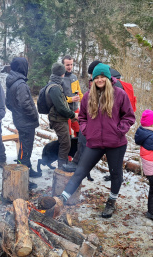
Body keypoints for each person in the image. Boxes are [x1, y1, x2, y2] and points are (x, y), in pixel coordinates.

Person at [60, 63, 135, 218]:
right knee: (80, 170)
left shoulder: (119, 94)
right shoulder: (88, 96)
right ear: (93, 79)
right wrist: (88, 131)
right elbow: (82, 117)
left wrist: (119, 131)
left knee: (115, 173)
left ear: (108, 78)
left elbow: (129, 117)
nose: (99, 80)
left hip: (116, 143)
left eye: (102, 77)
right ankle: (62, 198)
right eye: (97, 78)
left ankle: (111, 202)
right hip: (94, 143)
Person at [6, 57, 40, 189]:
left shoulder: (12, 82)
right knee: (25, 150)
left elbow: (8, 104)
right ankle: (23, 178)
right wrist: (32, 115)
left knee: (25, 148)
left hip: (20, 120)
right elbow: (25, 104)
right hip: (26, 122)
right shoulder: (20, 84)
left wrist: (16, 113)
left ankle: (28, 169)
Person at [47, 62, 77, 168]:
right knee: (65, 143)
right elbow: (60, 107)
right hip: (58, 119)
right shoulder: (55, 87)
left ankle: (63, 164)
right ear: (62, 74)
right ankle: (62, 167)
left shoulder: (55, 85)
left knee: (65, 141)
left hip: (60, 118)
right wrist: (73, 115)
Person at [62, 55, 83, 138]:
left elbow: (79, 93)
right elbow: (59, 98)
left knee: (80, 131)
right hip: (65, 111)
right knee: (68, 135)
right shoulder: (60, 78)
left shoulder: (74, 77)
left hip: (76, 110)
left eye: (71, 64)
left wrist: (84, 100)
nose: (70, 67)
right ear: (63, 65)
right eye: (67, 65)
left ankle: (78, 149)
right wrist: (71, 99)